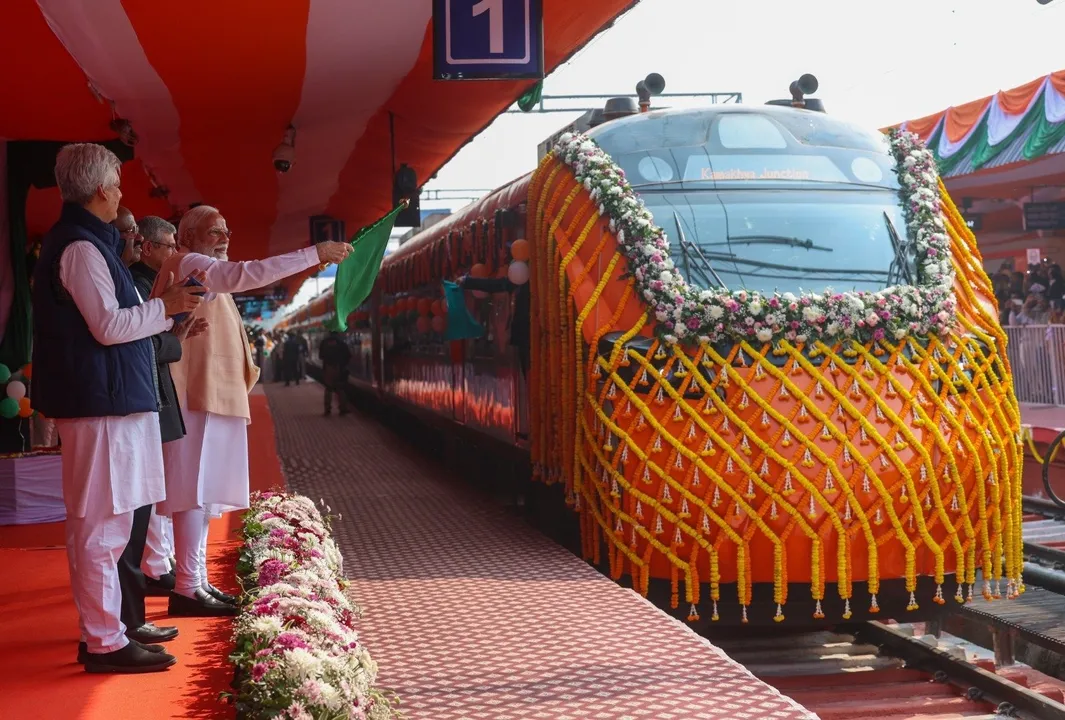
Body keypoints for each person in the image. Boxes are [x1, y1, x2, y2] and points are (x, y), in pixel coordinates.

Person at [31, 143, 205, 673]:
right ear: (103, 190)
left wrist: (163, 313)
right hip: (100, 404)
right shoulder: (81, 249)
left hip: (109, 401)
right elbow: (108, 326)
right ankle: (104, 641)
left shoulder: (87, 244)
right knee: (101, 528)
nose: (122, 193)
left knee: (108, 525)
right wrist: (165, 307)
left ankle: (108, 633)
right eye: (119, 184)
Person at [150, 205, 352, 616]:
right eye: (213, 231)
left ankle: (195, 581)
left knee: (203, 495)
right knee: (192, 492)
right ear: (186, 238)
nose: (224, 238)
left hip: (210, 394)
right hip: (193, 395)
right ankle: (187, 586)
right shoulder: (188, 263)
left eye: (226, 230)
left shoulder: (199, 268)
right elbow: (247, 274)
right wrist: (314, 254)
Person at [129, 215, 191, 595]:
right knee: (153, 485)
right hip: (147, 390)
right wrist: (176, 339)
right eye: (170, 246)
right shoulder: (139, 284)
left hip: (155, 389)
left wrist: (177, 332)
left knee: (160, 482)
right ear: (148, 247)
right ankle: (155, 564)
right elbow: (144, 345)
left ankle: (160, 560)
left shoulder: (153, 284)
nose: (175, 253)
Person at [319, 330, 351, 416]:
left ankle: (327, 409)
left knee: (328, 388)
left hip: (328, 367)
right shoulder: (341, 343)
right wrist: (343, 365)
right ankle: (343, 408)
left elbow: (320, 356)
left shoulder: (324, 342)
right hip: (339, 367)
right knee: (340, 388)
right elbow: (348, 355)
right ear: (337, 333)